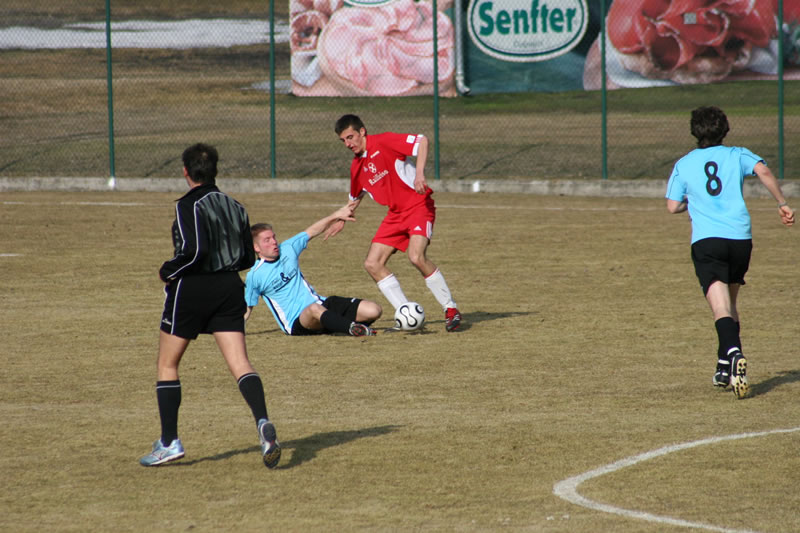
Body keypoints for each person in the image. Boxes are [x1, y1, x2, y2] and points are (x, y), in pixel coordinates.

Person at [140, 143, 281, 468]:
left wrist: (167, 271)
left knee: (167, 364)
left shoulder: (188, 205)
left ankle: (169, 442)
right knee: (241, 363)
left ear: (185, 172)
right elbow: (248, 256)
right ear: (215, 171)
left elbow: (193, 251)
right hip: (230, 286)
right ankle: (262, 423)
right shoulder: (237, 206)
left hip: (193, 288)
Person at [665, 106, 794, 399]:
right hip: (739, 240)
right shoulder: (737, 154)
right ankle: (724, 365)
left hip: (708, 242)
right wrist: (781, 203)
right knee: (731, 305)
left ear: (694, 132)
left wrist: (691, 202)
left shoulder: (684, 163)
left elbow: (672, 206)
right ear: (725, 130)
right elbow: (763, 169)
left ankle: (734, 353)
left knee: (720, 308)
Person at [330, 114, 462, 332]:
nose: (348, 144)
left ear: (362, 131)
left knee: (416, 257)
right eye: (343, 140)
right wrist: (340, 219)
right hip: (396, 215)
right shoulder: (357, 166)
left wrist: (419, 174)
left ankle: (451, 309)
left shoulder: (384, 141)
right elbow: (354, 197)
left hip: (419, 205)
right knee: (372, 264)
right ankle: (405, 313)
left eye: (350, 137)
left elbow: (422, 141)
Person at [244, 205, 383, 336]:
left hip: (321, 304)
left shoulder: (287, 249)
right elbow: (247, 307)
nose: (273, 242)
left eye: (273, 237)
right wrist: (234, 331)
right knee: (313, 309)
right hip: (298, 321)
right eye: (267, 240)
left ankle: (335, 325)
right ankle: (352, 329)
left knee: (374, 310)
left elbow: (312, 231)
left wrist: (336, 215)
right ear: (256, 248)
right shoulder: (255, 275)